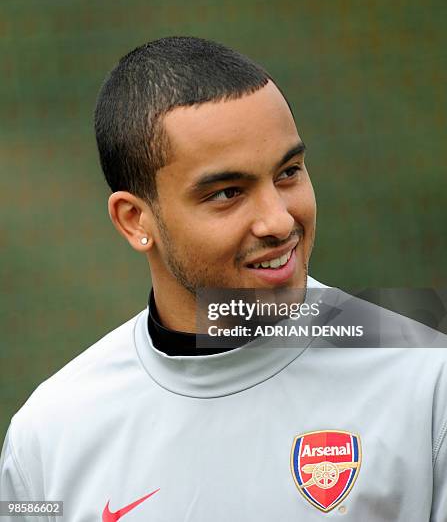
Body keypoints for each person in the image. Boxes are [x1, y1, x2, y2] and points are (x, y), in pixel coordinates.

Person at [1, 37, 446, 520]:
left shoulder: (426, 380)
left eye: (288, 173)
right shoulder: (49, 435)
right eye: (228, 193)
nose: (277, 220)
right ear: (134, 220)